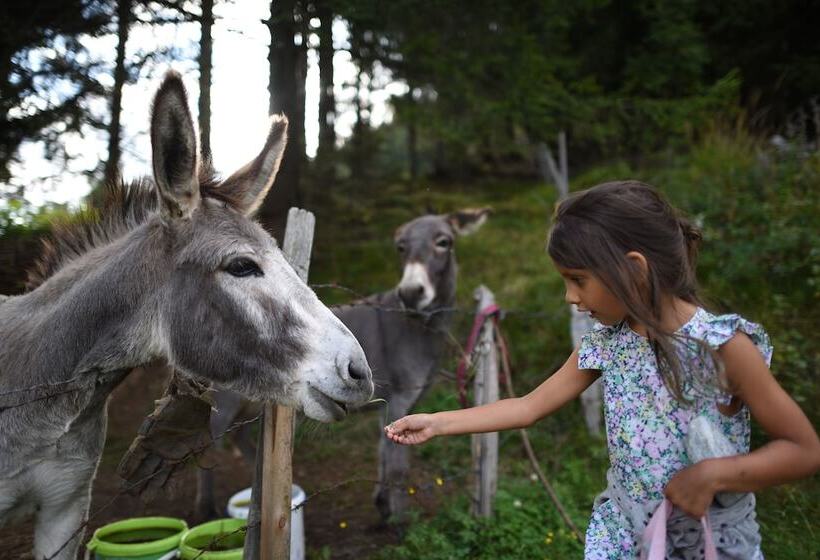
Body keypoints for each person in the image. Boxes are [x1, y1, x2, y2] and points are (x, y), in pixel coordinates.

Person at [384, 181, 820, 559]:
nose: (569, 297)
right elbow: (529, 406)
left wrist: (715, 474)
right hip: (624, 538)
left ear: (633, 269)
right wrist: (438, 422)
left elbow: (803, 450)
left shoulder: (724, 348)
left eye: (578, 279)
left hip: (710, 545)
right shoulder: (606, 345)